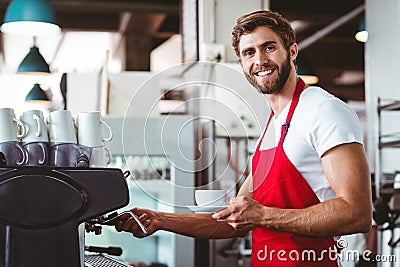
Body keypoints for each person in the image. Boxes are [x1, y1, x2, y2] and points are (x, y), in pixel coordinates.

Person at [115, 10, 372, 266]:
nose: (260, 60)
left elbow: (356, 212)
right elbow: (233, 222)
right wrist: (161, 220)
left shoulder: (323, 109)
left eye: (269, 47)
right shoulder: (271, 126)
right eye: (249, 52)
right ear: (241, 64)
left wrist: (264, 217)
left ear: (292, 52)